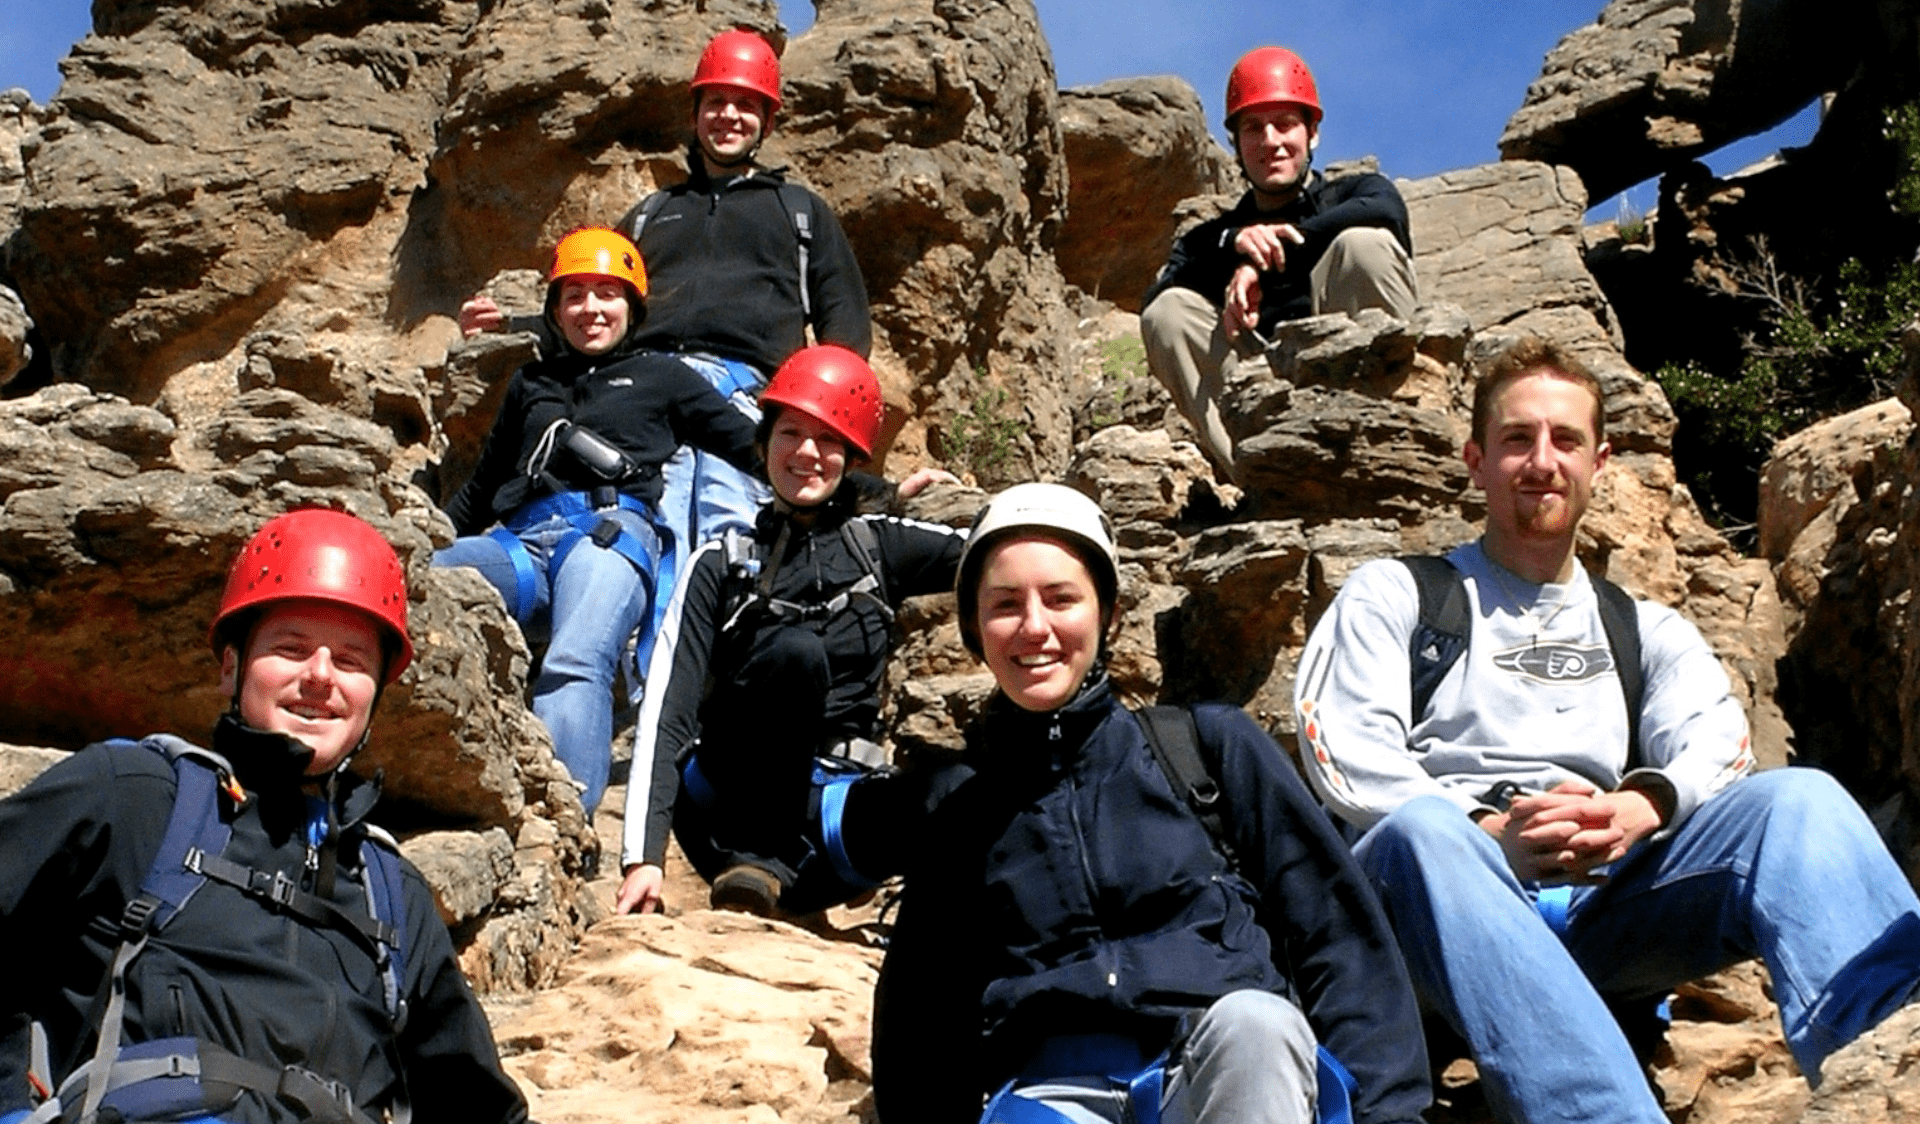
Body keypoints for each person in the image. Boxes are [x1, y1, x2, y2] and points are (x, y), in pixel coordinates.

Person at [1292, 337, 1920, 1124]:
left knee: (1801, 803)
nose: (1542, 460)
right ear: (1476, 461)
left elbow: (1719, 743)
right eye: (1517, 439)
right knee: (1422, 833)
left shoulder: (1642, 628)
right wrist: (1488, 836)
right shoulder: (1399, 595)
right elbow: (1342, 751)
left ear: (1601, 462)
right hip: (1422, 913)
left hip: (1598, 910)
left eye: (1566, 440)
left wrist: (1640, 808)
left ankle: (1891, 1068)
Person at [868, 483, 1432, 1124]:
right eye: (1005, 605)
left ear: (1106, 614)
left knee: (1257, 1026)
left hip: (1223, 1076)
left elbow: (1334, 930)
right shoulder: (961, 816)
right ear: (974, 627)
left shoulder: (1206, 749)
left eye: (1061, 599)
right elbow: (920, 1019)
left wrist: (1389, 1113)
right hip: (1052, 1095)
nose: (1034, 627)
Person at [0, 508, 528, 1124]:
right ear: (232, 666)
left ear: (376, 696)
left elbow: (479, 1107)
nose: (320, 677)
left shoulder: (393, 898)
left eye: (352, 661)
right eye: (291, 648)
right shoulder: (135, 799)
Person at [460, 28, 872, 555]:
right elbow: (603, 306)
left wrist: (808, 423)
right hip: (644, 390)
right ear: (695, 111)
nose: (728, 116)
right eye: (715, 101)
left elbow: (846, 333)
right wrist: (513, 326)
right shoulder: (653, 213)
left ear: (768, 121)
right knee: (645, 528)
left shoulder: (799, 211)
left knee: (734, 532)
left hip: (741, 392)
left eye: (746, 105)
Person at [614, 344, 966, 918]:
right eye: (790, 433)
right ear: (762, 443)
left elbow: (993, 554)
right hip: (725, 823)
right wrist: (642, 858)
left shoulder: (881, 545)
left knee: (955, 786)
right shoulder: (720, 563)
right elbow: (666, 712)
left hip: (832, 825)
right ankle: (758, 863)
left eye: (829, 439)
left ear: (852, 457)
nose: (807, 452)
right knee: (794, 654)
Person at [437, 226, 761, 816]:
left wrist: (879, 491)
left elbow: (760, 449)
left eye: (607, 294)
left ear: (632, 307)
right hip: (520, 545)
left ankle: (566, 822)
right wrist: (412, 546)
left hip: (607, 534)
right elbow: (482, 488)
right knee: (426, 585)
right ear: (555, 310)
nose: (591, 309)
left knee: (574, 659)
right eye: (575, 294)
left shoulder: (663, 377)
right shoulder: (531, 383)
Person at [1140, 45, 1417, 476]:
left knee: (1363, 247)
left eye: (1285, 124)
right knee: (1168, 313)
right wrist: (1233, 246)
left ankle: (1378, 440)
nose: (1270, 141)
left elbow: (1387, 211)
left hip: (1354, 388)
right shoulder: (1214, 238)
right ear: (1236, 142)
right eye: (1253, 128)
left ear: (1312, 132)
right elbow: (1160, 297)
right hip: (1258, 399)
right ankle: (1260, 475)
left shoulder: (1354, 194)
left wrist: (1268, 258)